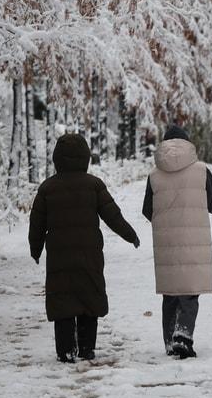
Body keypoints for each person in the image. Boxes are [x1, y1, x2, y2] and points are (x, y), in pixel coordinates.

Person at [29, 133, 139, 363]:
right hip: (89, 254)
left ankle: (65, 351)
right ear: (85, 157)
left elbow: (36, 224)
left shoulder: (48, 188)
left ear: (57, 158)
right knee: (89, 298)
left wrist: (35, 249)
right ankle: (87, 348)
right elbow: (113, 216)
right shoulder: (94, 185)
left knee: (63, 301)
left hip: (59, 257)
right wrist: (130, 235)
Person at [142, 125, 212, 358]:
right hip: (194, 241)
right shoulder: (201, 170)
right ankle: (183, 336)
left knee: (170, 293)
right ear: (188, 143)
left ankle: (170, 341)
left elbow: (147, 210)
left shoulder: (154, 175)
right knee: (190, 292)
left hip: (166, 242)